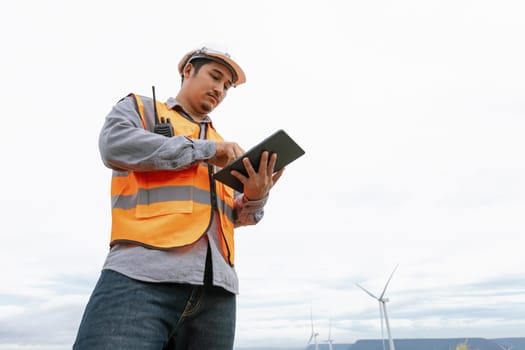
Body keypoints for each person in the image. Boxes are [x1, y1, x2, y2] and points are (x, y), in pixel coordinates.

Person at [73, 47, 284, 350]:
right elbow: (114, 145)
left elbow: (239, 216)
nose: (220, 89)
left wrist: (256, 197)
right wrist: (206, 151)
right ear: (188, 71)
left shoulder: (226, 146)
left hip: (217, 293)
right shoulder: (141, 109)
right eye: (215, 76)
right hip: (140, 277)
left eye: (227, 86)